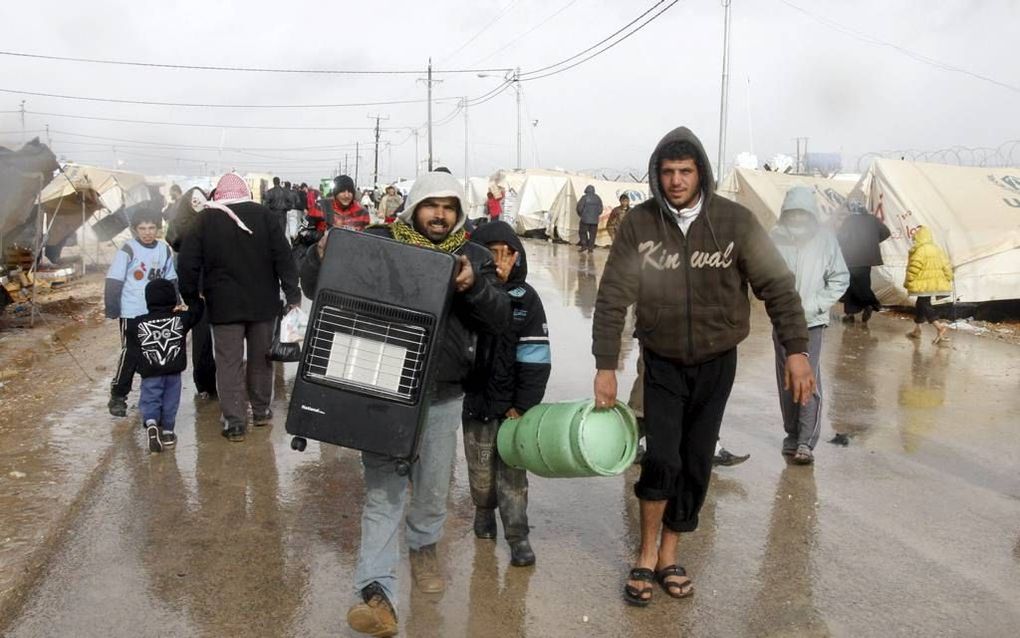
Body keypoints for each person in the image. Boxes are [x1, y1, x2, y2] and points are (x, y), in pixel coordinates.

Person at [591, 127, 813, 606]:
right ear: (657, 174)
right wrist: (605, 365)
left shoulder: (734, 222)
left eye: (684, 171)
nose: (675, 181)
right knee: (662, 458)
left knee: (695, 463)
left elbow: (777, 285)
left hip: (717, 361)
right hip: (662, 361)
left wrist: (796, 349)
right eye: (667, 172)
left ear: (701, 173)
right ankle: (646, 553)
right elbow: (612, 298)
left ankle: (671, 553)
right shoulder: (640, 225)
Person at [300, 171, 509, 638]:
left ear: (459, 213)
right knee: (382, 495)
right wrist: (318, 255)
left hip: (443, 396)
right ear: (414, 206)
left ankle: (424, 547)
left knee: (432, 491)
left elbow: (499, 318)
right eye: (431, 205)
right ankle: (376, 594)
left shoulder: (473, 257)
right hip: (382, 391)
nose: (440, 215)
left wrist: (473, 286)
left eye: (449, 207)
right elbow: (317, 286)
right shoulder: (379, 242)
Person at [178, 173, 301, 442]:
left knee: (228, 363)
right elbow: (284, 256)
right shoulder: (264, 215)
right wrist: (293, 293)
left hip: (223, 307)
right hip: (263, 304)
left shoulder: (205, 219)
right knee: (261, 360)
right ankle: (260, 411)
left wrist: (192, 298)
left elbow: (187, 263)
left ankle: (234, 422)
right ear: (245, 191)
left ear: (218, 194)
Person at [462, 221, 551, 567]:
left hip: (512, 410)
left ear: (518, 257)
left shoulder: (526, 300)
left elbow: (536, 356)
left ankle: (518, 536)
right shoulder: (466, 296)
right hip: (476, 405)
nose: (499, 262)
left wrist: (524, 404)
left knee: (513, 477)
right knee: (481, 473)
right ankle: (483, 514)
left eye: (506, 254)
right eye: (491, 254)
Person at [770, 186, 850, 465]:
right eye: (792, 214)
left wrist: (814, 304)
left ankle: (806, 440)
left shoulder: (825, 240)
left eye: (802, 214)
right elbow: (764, 277)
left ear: (811, 214)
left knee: (808, 379)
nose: (797, 219)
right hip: (781, 323)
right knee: (786, 382)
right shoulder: (775, 238)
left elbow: (840, 278)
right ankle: (791, 434)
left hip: (811, 323)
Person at [105, 209, 178, 417]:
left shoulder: (164, 250)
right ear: (135, 230)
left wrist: (175, 303)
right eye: (142, 229)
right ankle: (118, 395)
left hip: (155, 311)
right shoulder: (128, 249)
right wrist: (112, 307)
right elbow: (115, 279)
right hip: (131, 310)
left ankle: (150, 398)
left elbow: (170, 280)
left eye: (152, 228)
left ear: (158, 228)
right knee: (131, 353)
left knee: (154, 353)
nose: (147, 232)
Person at [127, 279, 205, 452]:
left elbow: (130, 354)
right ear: (173, 299)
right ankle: (168, 432)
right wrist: (193, 297)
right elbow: (197, 312)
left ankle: (152, 423)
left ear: (148, 300)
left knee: (150, 398)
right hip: (173, 371)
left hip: (150, 372)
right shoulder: (180, 320)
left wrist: (120, 388)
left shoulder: (137, 324)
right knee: (171, 401)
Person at [165, 187, 218, 398]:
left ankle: (205, 383)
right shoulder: (199, 228)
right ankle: (206, 383)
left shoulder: (187, 226)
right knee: (207, 337)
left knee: (204, 337)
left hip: (199, 289)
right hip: (203, 289)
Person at [837, 200, 891, 323]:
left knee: (851, 284)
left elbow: (841, 238)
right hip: (867, 258)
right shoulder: (872, 219)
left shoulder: (849, 221)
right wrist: (872, 242)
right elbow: (886, 232)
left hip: (852, 257)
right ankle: (856, 311)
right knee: (863, 283)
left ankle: (870, 304)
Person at [904, 225, 953, 344]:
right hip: (935, 283)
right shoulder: (937, 249)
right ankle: (917, 329)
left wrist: (908, 281)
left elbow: (914, 267)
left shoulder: (920, 250)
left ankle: (939, 326)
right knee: (921, 303)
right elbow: (946, 265)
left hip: (923, 284)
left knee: (924, 304)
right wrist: (948, 277)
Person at [576, 185, 603, 253]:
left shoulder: (584, 198)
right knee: (593, 235)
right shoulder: (598, 198)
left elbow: (579, 208)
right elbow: (600, 210)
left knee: (582, 232)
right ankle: (590, 248)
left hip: (585, 220)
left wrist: (581, 215)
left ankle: (584, 245)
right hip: (594, 221)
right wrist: (595, 215)